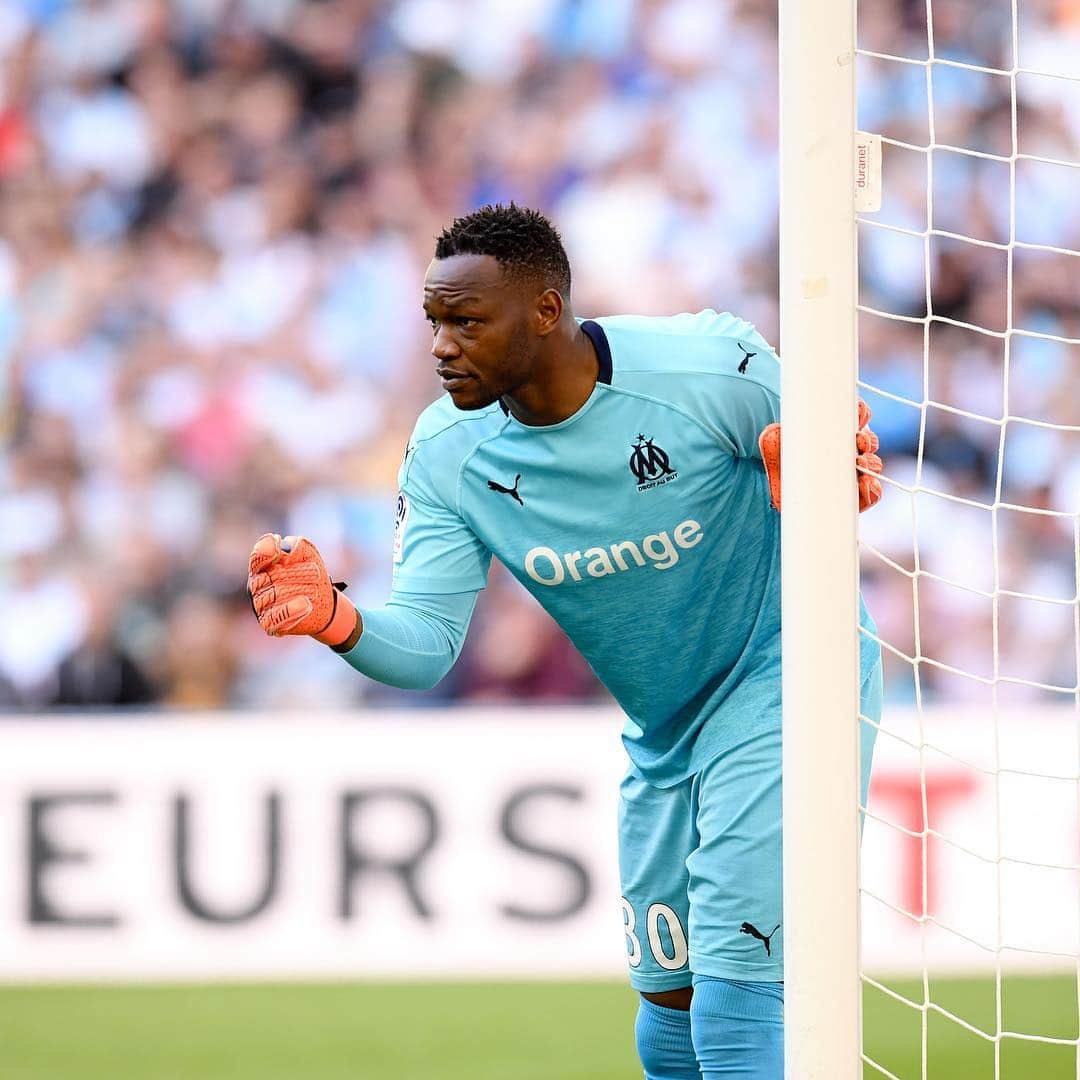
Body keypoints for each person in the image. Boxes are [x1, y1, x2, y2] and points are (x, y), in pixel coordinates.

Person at [247, 204, 884, 1079]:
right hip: (664, 729)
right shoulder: (446, 452)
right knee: (669, 1010)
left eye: (466, 322)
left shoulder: (708, 365)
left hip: (786, 677)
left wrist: (826, 472)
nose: (441, 345)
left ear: (546, 312)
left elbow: (841, 464)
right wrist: (338, 620)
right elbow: (429, 641)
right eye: (433, 322)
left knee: (738, 997)